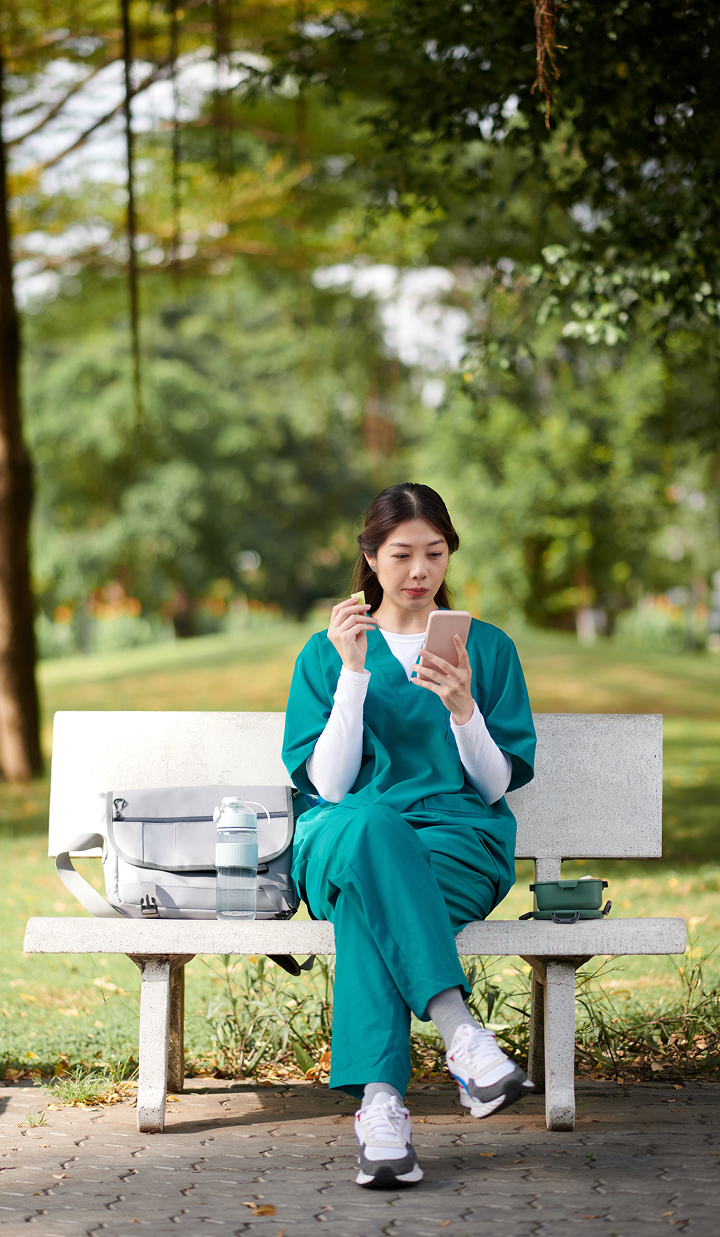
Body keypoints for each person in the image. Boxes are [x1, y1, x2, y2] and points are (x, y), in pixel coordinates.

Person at [282, 483, 536, 1189]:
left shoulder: (486, 648)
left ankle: (382, 1107)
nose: (419, 569)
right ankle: (462, 1034)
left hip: (456, 844)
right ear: (370, 556)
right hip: (344, 837)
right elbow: (329, 786)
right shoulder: (328, 651)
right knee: (369, 822)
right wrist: (354, 675)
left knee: (373, 902)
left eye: (435, 552)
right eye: (402, 554)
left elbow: (492, 786)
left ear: (449, 553)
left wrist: (463, 711)